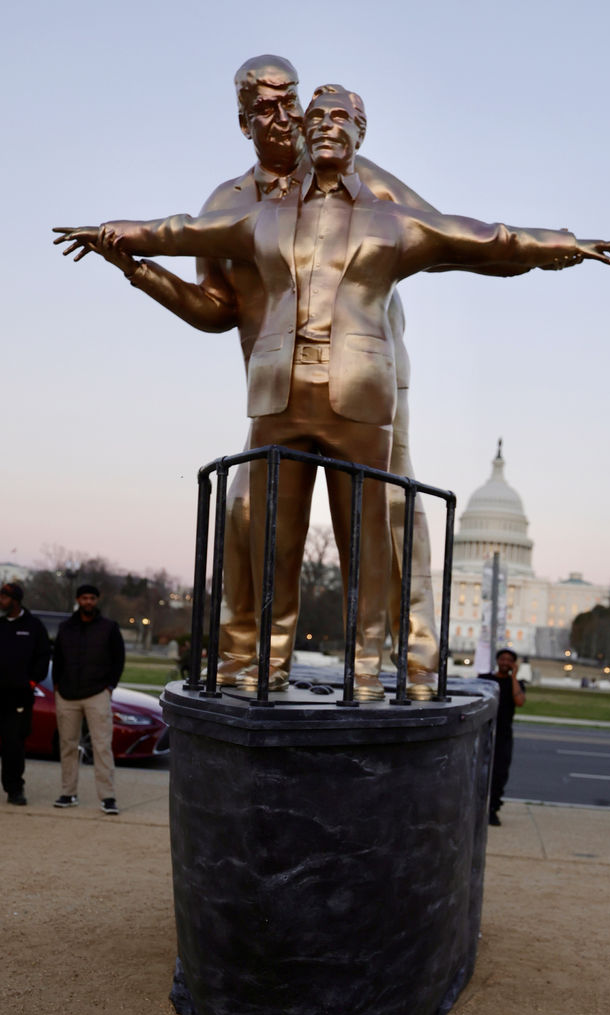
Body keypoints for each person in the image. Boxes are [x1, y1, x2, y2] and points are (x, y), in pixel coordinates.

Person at [54, 85, 610, 698]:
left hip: (361, 391)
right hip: (279, 389)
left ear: (360, 133)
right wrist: (119, 239)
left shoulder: (392, 216)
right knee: (269, 533)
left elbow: (486, 238)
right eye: (316, 117)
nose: (321, 125)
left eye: (339, 117)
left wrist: (563, 244)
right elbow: (180, 231)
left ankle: (366, 669)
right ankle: (264, 666)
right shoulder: (257, 213)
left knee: (369, 539)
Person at [54, 55, 441, 699]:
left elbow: (435, 234)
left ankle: (415, 658)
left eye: (290, 100)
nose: (284, 117)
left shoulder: (358, 173)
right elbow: (216, 310)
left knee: (389, 507)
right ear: (243, 121)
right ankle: (251, 660)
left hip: (365, 375)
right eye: (265, 106)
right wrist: (137, 268)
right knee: (246, 512)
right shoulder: (228, 203)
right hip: (277, 391)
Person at [52, 584, 125, 814]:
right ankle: (68, 793)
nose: (88, 602)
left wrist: (110, 687)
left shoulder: (109, 627)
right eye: (84, 598)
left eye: (92, 598)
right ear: (77, 600)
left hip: (97, 694)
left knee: (102, 746)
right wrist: (57, 687)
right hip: (67, 695)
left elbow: (118, 659)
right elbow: (58, 660)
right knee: (67, 746)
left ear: (97, 600)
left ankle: (108, 797)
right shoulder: (65, 628)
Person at [0, 582, 51, 805]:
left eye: (4, 597)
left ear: (16, 601)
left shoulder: (34, 626)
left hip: (18, 698)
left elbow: (43, 657)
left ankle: (14, 789)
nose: (1, 601)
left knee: (14, 745)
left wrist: (30, 681)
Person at [479, 648, 526, 825]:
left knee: (499, 774)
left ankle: (493, 809)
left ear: (513, 664)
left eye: (509, 660)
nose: (505, 663)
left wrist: (514, 677)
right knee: (480, 772)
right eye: (502, 659)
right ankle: (478, 807)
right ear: (497, 660)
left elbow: (520, 702)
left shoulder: (516, 683)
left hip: (504, 734)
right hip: (485, 731)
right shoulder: (486, 680)